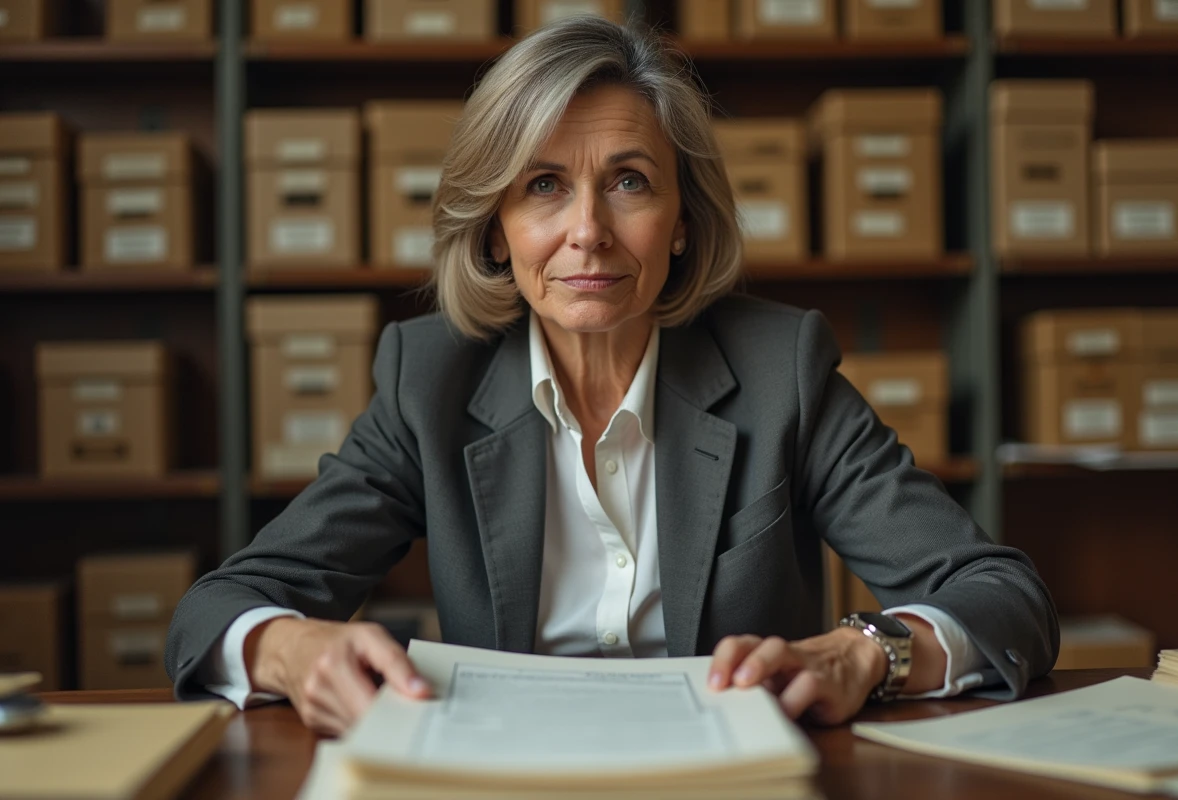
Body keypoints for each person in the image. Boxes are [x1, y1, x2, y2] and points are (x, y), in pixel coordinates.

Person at [165, 17, 1058, 736]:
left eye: (629, 181)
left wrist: (868, 653)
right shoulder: (428, 380)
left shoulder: (781, 368)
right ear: (494, 227)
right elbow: (219, 608)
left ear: (680, 222)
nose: (587, 230)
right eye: (544, 186)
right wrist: (289, 651)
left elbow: (1002, 595)